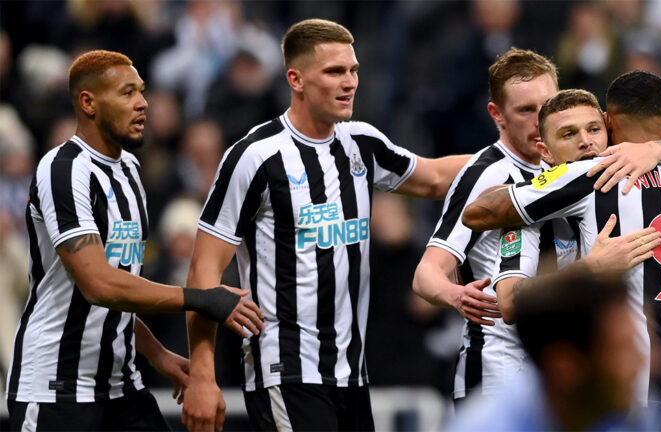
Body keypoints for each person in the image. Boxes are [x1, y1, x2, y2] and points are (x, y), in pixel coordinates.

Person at [182, 19, 470, 432]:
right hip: (287, 370)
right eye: (335, 72)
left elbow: (437, 177)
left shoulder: (361, 143)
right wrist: (203, 376)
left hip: (351, 374)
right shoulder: (255, 157)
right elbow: (202, 271)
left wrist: (517, 161)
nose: (349, 82)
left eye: (353, 70)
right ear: (295, 79)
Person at [5, 50, 265, 431]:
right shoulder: (63, 170)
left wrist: (159, 355)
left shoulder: (129, 168)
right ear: (88, 102)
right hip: (56, 389)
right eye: (127, 93)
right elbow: (98, 285)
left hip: (121, 387)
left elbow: (120, 289)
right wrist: (201, 299)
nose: (143, 103)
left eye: (142, 92)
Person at [464, 76, 661, 431]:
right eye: (568, 134)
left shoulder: (596, 173)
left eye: (593, 129)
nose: (585, 142)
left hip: (616, 393)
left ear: (608, 123)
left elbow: (478, 212)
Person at [412, 47, 661, 404]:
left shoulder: (573, 170)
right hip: (500, 369)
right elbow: (426, 274)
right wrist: (456, 294)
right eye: (525, 110)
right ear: (497, 114)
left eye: (545, 106)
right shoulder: (488, 177)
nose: (538, 119)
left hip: (560, 369)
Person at [449, 264, 661, 431]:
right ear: (565, 366)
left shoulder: (637, 416)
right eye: (622, 349)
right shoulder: (487, 425)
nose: (653, 363)